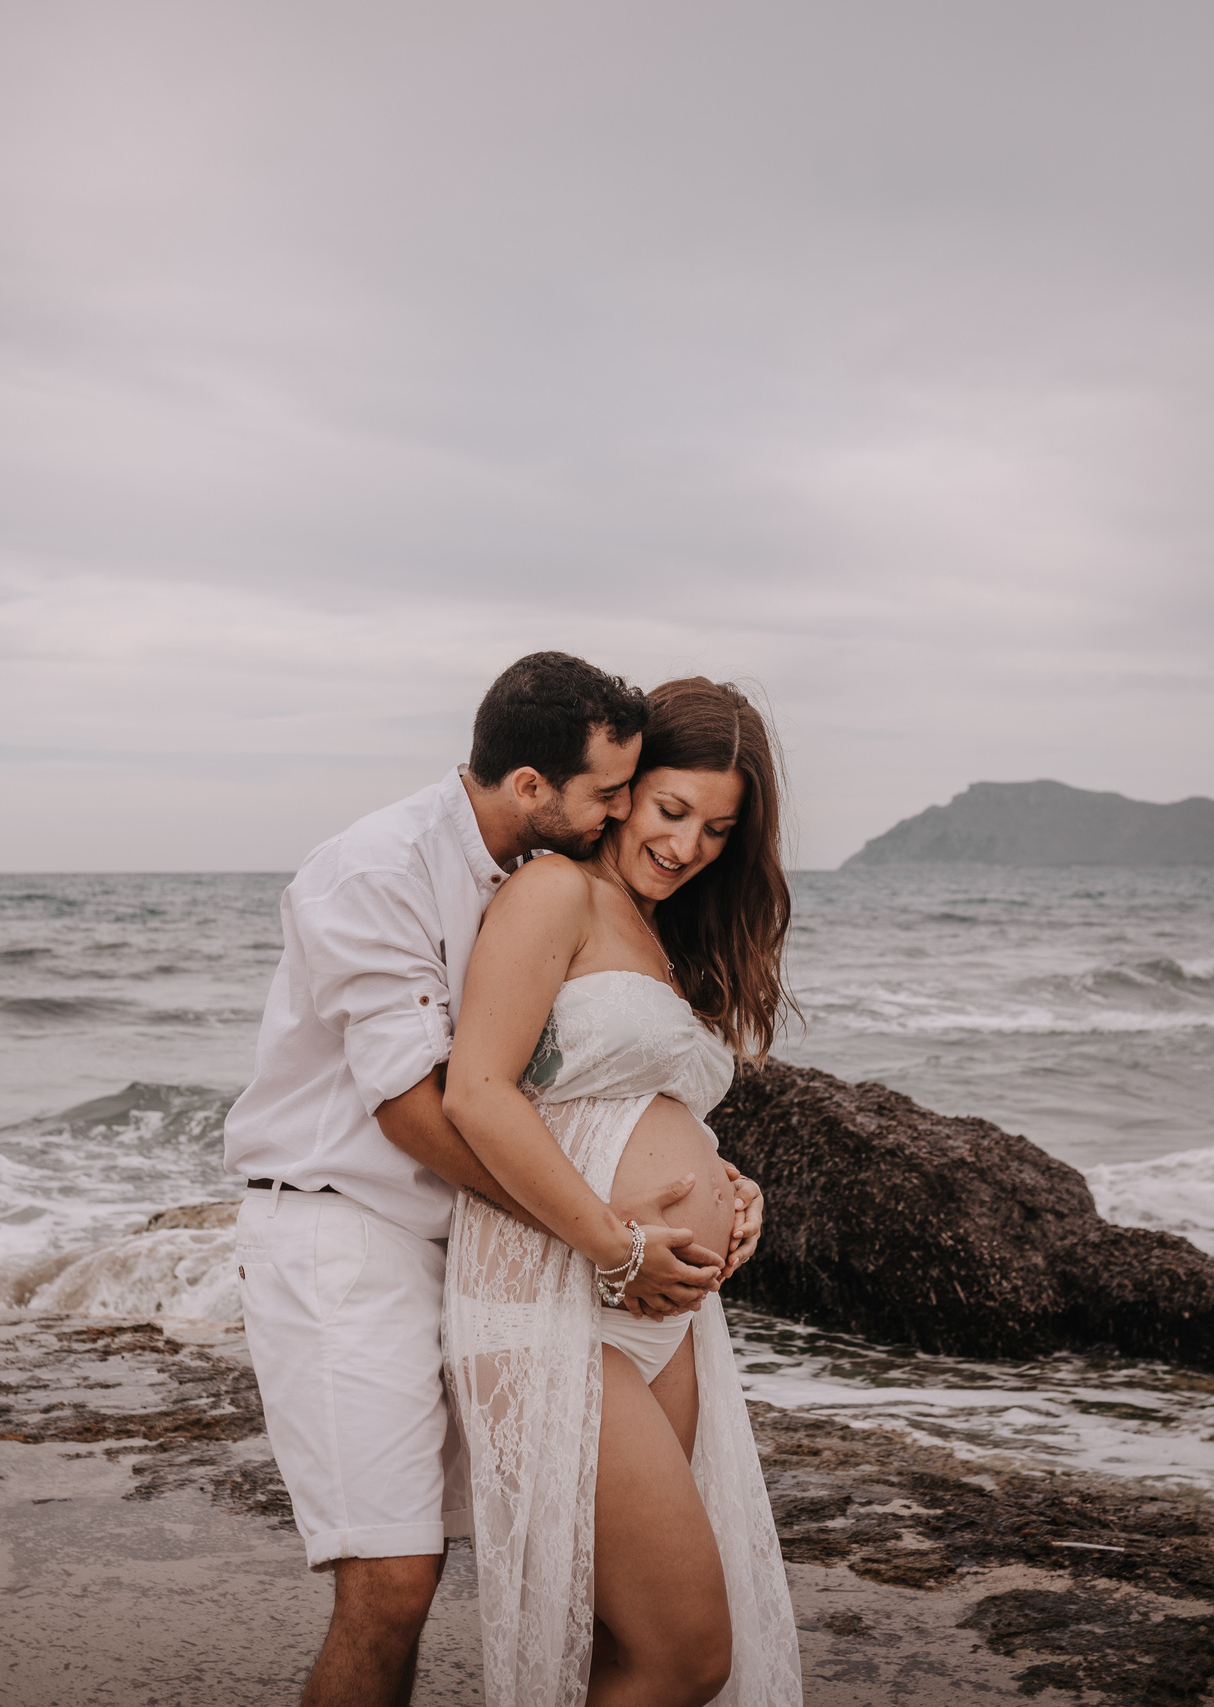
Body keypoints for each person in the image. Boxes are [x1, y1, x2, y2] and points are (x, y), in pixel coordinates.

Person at [224, 652, 767, 1707]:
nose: (632, 820)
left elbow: (580, 1088)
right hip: (352, 1235)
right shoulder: (377, 871)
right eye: (619, 795)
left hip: (505, 1249)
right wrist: (607, 1236)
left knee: (602, 1601)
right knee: (389, 1577)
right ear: (532, 786)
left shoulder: (551, 883)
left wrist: (714, 1177)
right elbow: (425, 1104)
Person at [442, 676, 803, 1707]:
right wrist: (618, 1246)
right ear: (626, 789)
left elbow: (609, 1102)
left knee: (621, 1643)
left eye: (718, 831)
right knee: (686, 1654)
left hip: (659, 1318)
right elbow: (478, 1091)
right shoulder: (554, 892)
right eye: (671, 810)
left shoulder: (661, 934)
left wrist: (728, 1183)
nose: (687, 846)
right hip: (559, 1298)